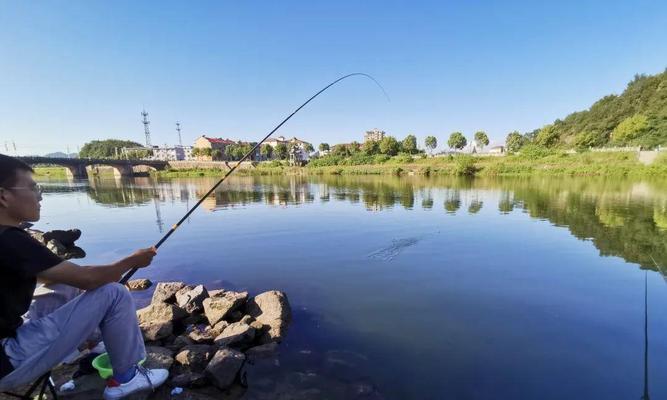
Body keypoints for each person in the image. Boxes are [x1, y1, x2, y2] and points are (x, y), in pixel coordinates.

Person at [0, 154, 168, 400]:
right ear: (3, 196)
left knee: (64, 285)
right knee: (115, 292)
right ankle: (127, 378)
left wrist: (89, 274)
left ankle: (96, 345)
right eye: (33, 187)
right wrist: (133, 260)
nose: (40, 195)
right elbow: (89, 280)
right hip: (8, 360)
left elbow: (69, 277)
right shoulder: (10, 240)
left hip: (7, 345)